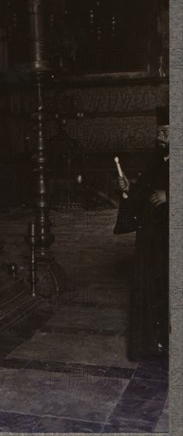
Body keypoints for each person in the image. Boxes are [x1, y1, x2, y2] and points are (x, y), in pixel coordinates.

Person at [115, 106, 169, 361]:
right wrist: (129, 188)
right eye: (159, 131)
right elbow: (142, 193)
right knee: (151, 289)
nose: (160, 136)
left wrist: (170, 195)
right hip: (151, 239)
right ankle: (153, 344)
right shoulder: (156, 159)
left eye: (166, 131)